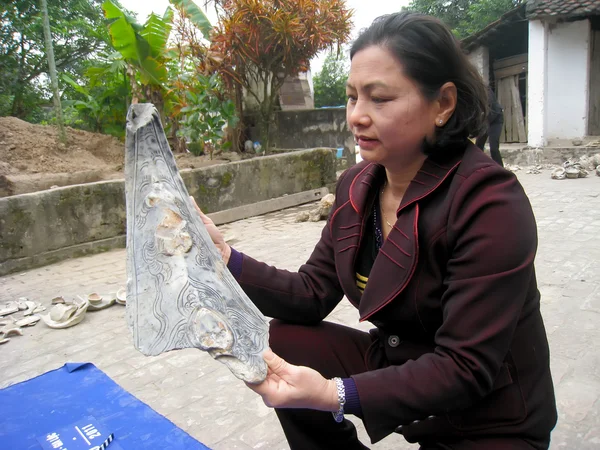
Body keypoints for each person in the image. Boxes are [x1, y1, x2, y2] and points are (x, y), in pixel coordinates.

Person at [193, 12, 557, 450]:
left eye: (379, 99)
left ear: (442, 104)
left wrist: (334, 393)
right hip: (399, 360)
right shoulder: (357, 186)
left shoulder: (487, 201)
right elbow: (311, 292)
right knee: (280, 338)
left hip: (489, 413)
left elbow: (466, 365)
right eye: (351, 98)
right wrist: (224, 257)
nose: (357, 117)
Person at [476, 86, 505, 166]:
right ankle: (479, 166)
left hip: (496, 119)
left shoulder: (486, 91)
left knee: (494, 148)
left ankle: (500, 170)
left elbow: (489, 108)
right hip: (485, 120)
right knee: (478, 146)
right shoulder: (473, 95)